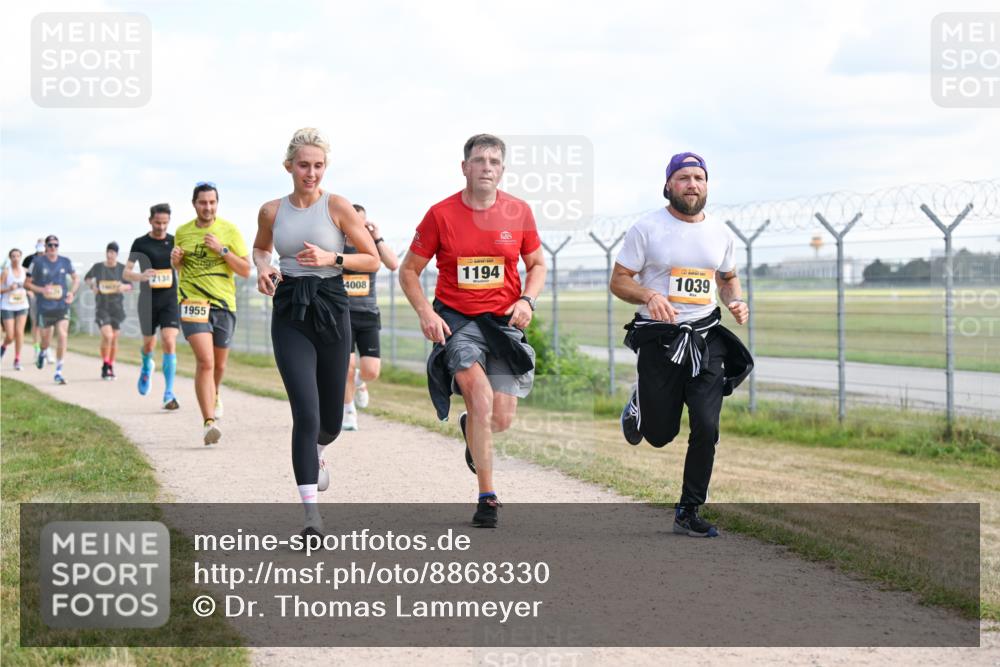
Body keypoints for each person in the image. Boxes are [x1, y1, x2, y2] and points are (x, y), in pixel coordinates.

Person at [399, 133, 546, 528]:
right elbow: (408, 270)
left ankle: (472, 429)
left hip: (502, 322)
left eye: (494, 162)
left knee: (501, 419)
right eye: (479, 160)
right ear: (464, 167)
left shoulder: (519, 211)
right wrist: (426, 313)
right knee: (479, 398)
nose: (486, 167)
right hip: (458, 321)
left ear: (502, 170)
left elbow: (536, 265)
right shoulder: (440, 214)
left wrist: (526, 301)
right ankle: (487, 496)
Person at [610, 152, 753, 538]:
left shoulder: (720, 233)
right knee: (659, 435)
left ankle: (688, 510)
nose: (693, 184)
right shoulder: (647, 229)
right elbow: (619, 279)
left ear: (707, 185)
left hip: (706, 339)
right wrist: (647, 297)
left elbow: (727, 277)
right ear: (669, 184)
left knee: (706, 426)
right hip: (661, 339)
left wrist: (734, 299)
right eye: (685, 177)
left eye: (700, 178)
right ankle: (640, 404)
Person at [253, 127, 379, 538]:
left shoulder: (338, 207)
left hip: (331, 305)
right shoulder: (272, 211)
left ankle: (320, 451)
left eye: (318, 166)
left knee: (330, 422)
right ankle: (311, 516)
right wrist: (263, 266)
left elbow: (372, 260)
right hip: (290, 308)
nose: (311, 173)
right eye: (304, 165)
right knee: (304, 414)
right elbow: (261, 247)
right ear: (288, 166)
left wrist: (332, 256)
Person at [172, 183, 251, 444]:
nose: (207, 207)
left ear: (217, 204)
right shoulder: (182, 232)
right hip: (192, 302)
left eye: (212, 202)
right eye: (202, 202)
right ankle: (208, 422)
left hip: (224, 304)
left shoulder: (229, 230)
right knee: (205, 361)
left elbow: (245, 270)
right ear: (194, 204)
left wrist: (222, 250)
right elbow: (180, 268)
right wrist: (176, 260)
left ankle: (214, 392)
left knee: (219, 364)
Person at [341, 203, 400, 430]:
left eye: (361, 222)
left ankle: (360, 383)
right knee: (346, 364)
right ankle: (349, 412)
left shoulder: (370, 247)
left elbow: (394, 264)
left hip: (367, 315)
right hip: (342, 315)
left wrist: (377, 238)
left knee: (371, 371)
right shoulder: (337, 247)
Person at [126, 203, 181, 409]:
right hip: (148, 301)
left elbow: (182, 267)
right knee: (149, 345)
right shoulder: (140, 243)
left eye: (165, 223)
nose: (161, 227)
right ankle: (147, 365)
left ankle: (169, 393)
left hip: (169, 299)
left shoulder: (175, 241)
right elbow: (126, 272)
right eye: (157, 222)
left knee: (168, 340)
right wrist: (141, 276)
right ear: (150, 221)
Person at [24, 235, 79, 384]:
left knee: (62, 334)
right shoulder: (37, 262)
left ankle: (59, 371)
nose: (53, 248)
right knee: (46, 341)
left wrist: (71, 293)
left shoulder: (65, 261)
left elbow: (76, 279)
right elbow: (27, 283)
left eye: (56, 245)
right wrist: (41, 290)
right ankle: (42, 352)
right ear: (46, 247)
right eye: (50, 245)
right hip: (45, 307)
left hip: (62, 306)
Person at [84, 242, 132, 380]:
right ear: (106, 253)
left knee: (114, 338)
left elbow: (131, 285)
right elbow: (87, 278)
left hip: (117, 308)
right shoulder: (98, 267)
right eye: (108, 252)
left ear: (117, 254)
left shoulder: (122, 269)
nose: (110, 254)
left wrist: (123, 287)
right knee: (108, 336)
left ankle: (110, 365)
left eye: (113, 252)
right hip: (102, 307)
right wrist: (93, 285)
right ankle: (105, 365)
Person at [1, 248, 30, 370]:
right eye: (13, 256)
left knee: (19, 332)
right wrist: (9, 289)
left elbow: (31, 284)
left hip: (22, 305)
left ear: (21, 257)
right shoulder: (6, 272)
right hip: (8, 306)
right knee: (10, 335)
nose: (15, 258)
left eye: (18, 256)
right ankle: (3, 347)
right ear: (10, 258)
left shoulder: (25, 271)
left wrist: (30, 290)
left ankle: (17, 359)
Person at [21, 238, 45, 358]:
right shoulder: (29, 259)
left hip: (47, 296)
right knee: (36, 323)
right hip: (34, 294)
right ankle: (36, 348)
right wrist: (28, 291)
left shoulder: (51, 259)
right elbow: (22, 277)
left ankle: (45, 348)